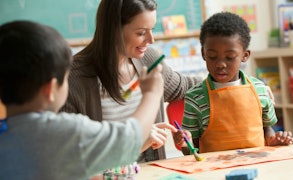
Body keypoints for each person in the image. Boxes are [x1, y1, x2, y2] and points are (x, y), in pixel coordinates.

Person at [0, 20, 165, 179]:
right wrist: (151, 93)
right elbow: (129, 138)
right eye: (65, 79)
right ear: (50, 89)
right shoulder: (67, 132)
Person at [59, 0, 202, 163]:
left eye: (152, 30)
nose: (151, 39)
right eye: (141, 33)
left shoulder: (149, 60)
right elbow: (72, 158)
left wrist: (231, 79)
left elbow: (186, 87)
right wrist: (137, 143)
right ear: (113, 30)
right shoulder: (72, 79)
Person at [173, 12, 293, 155]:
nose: (220, 64)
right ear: (204, 54)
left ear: (245, 55)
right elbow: (191, 150)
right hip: (214, 171)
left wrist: (274, 141)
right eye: (212, 57)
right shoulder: (195, 97)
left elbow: (266, 129)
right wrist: (183, 143)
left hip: (257, 165)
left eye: (230, 57)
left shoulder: (260, 90)